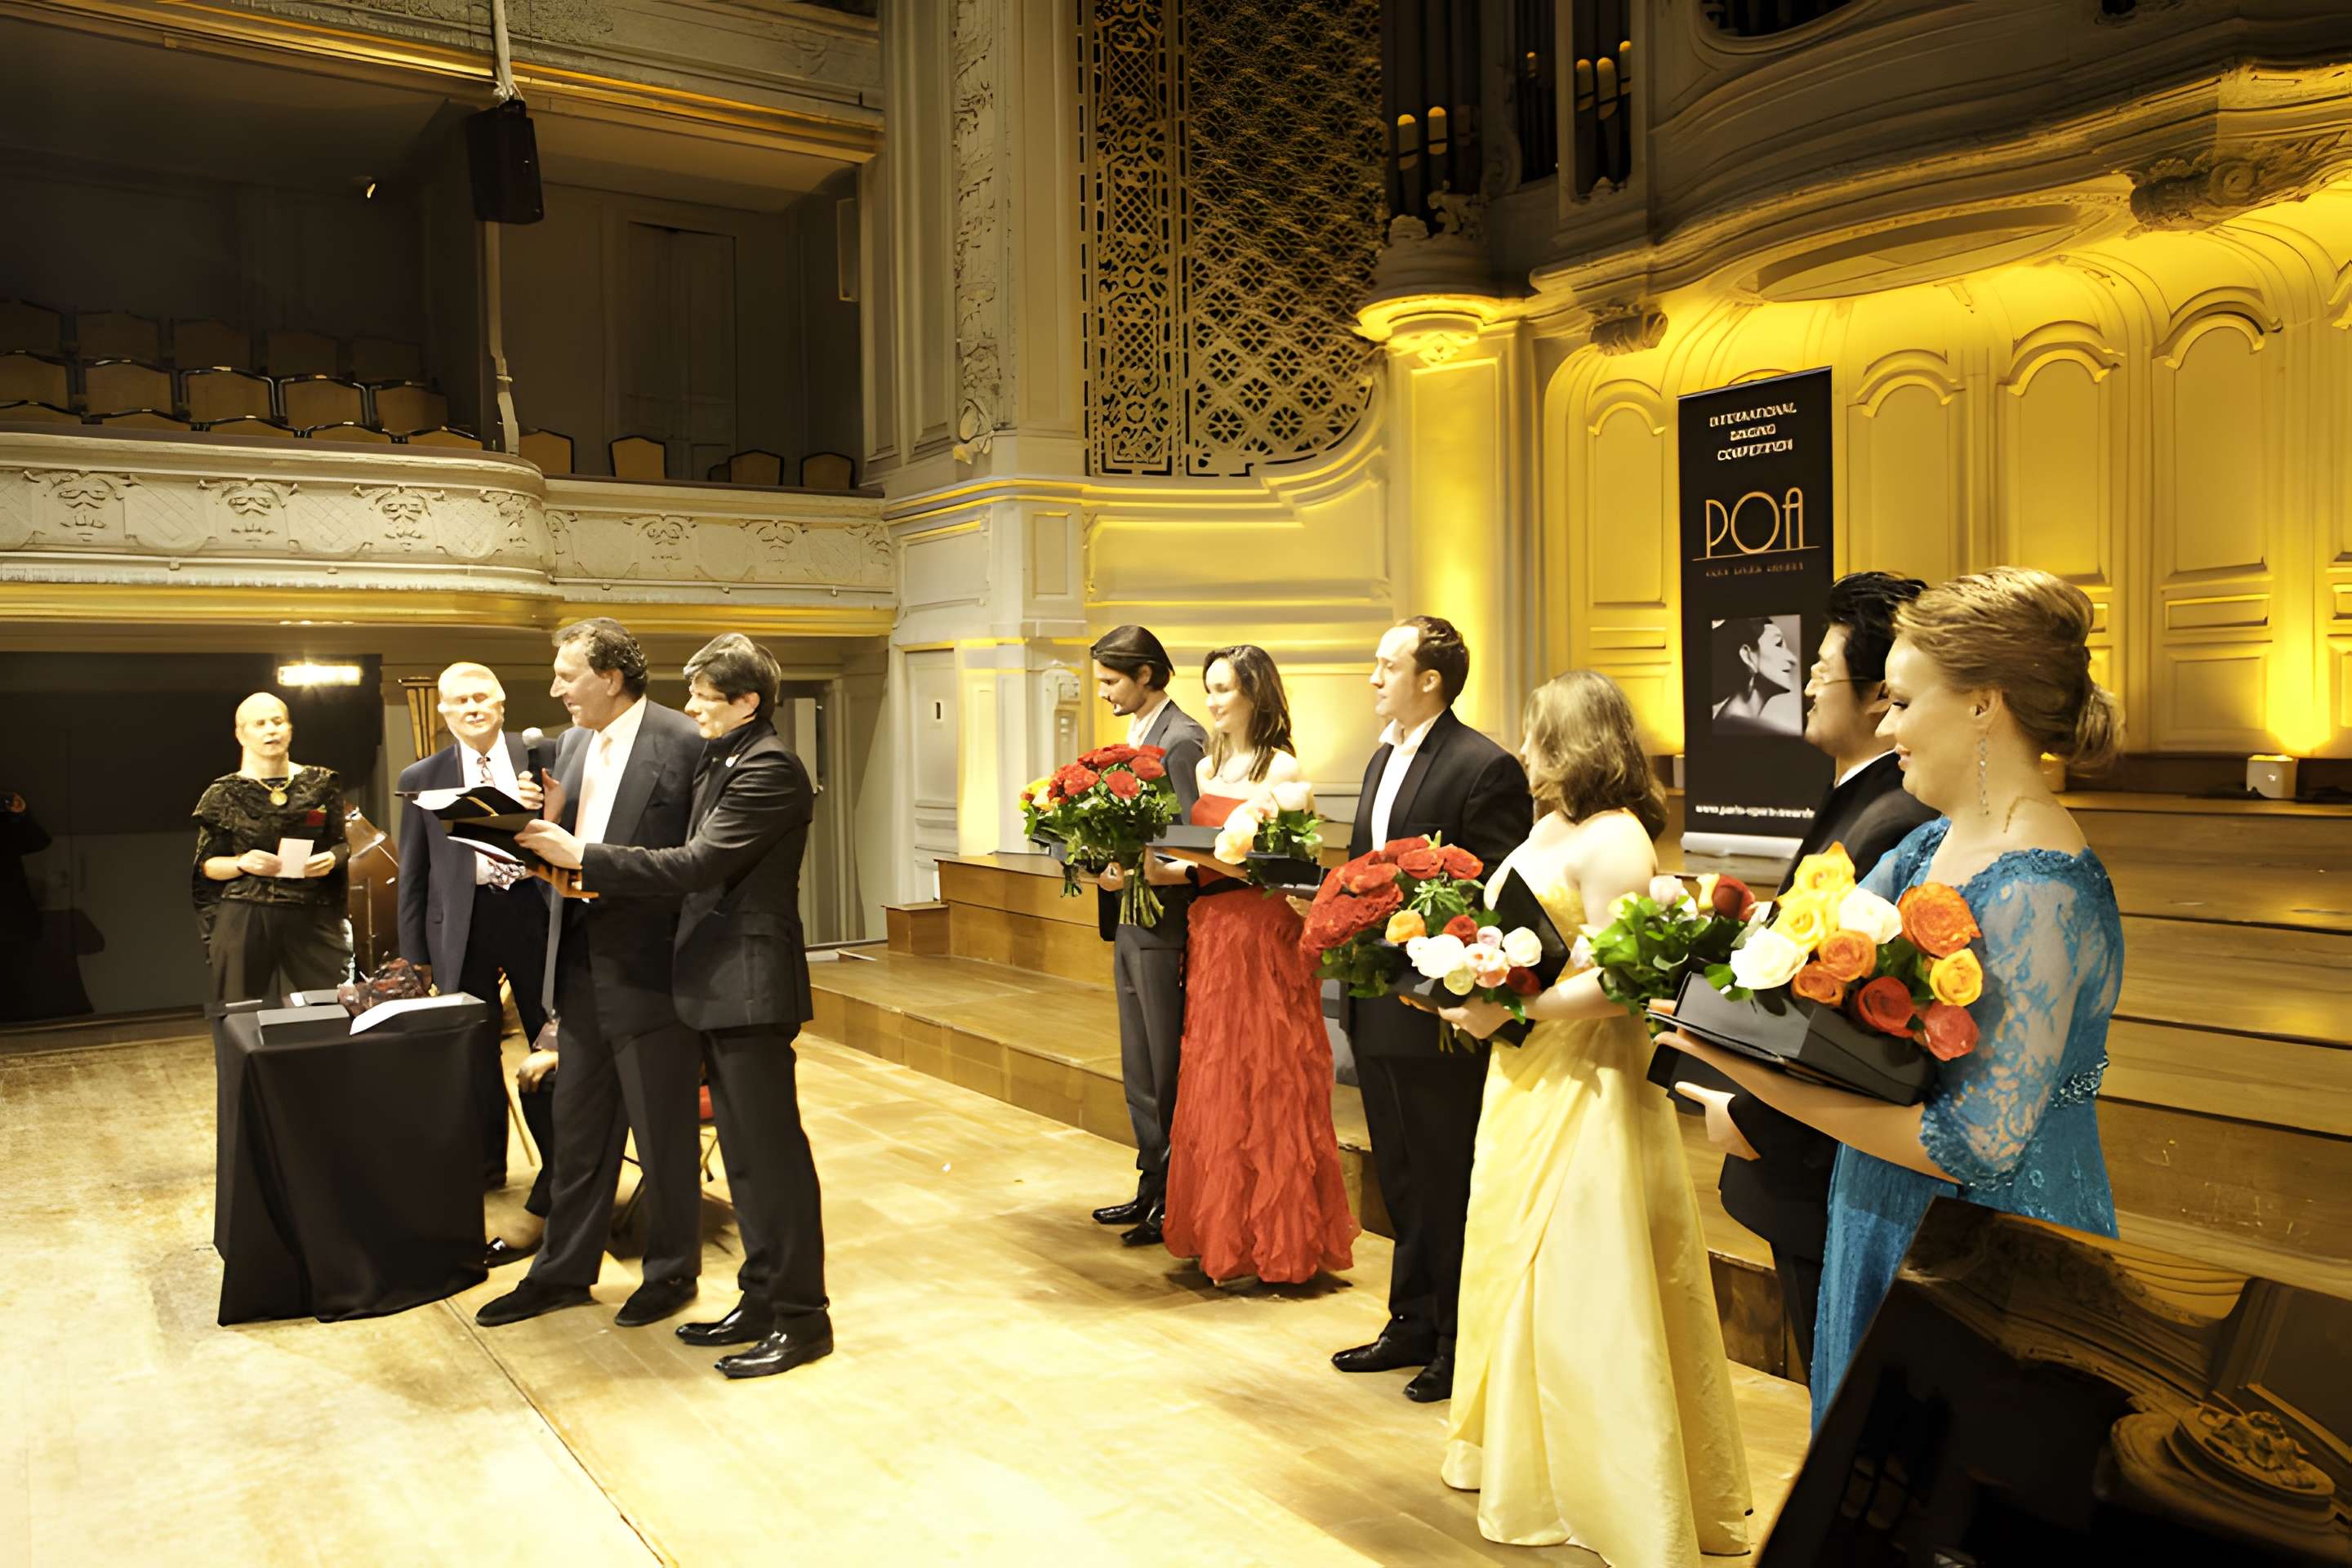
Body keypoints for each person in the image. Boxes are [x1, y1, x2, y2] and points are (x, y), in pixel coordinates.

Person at [1658, 566, 2125, 1428]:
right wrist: (1704, 968)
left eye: (1905, 702)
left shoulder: (2040, 892)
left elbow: (1974, 1145)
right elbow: (1792, 959)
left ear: (1985, 703)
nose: (1887, 722)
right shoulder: (1927, 847)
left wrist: (1761, 1079)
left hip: (1989, 1245)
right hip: (1879, 1202)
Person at [1435, 671, 1752, 1557]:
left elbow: (1627, 980)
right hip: (1525, 1075)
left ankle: (1606, 1487)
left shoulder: (1617, 839)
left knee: (1583, 1270)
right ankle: (1528, 1457)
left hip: (1590, 1079)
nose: (1524, 749)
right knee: (1513, 1257)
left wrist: (1520, 1010)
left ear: (1573, 740)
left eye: (1537, 734)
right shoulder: (1547, 825)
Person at [520, 635, 832, 1380]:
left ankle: (802, 1318)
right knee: (750, 1166)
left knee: (771, 1161)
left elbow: (696, 864)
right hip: (715, 985)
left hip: (749, 985)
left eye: (703, 697)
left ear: (748, 702)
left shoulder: (769, 768)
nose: (688, 709)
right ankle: (761, 1298)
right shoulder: (728, 757)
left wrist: (580, 855)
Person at [1686, 572, 1934, 1379]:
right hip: (1805, 1161)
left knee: (1850, 1386)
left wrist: (1755, 1120)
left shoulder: (1892, 818)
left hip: (1820, 1164)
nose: (1807, 682)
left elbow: (1844, 1015)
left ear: (1877, 695)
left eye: (1823, 667)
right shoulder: (1859, 803)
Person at [474, 618, 707, 1332]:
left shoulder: (685, 741)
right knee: (580, 1132)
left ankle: (672, 1273)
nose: (555, 688)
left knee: (663, 1133)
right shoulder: (571, 744)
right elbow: (570, 848)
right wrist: (532, 822)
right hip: (575, 957)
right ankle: (564, 1273)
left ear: (609, 676)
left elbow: (700, 864)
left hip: (653, 966)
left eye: (567, 675)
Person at [1331, 616, 1532, 1403]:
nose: (1373, 677)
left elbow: (1492, 890)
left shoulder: (1484, 765)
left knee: (1447, 1173)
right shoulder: (1384, 754)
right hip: (1376, 994)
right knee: (1403, 1172)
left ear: (1430, 681)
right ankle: (1410, 1319)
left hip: (1438, 1003)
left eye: (1388, 665)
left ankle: (1457, 1337)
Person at [1159, 644, 1357, 1288]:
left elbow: (1285, 871)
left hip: (1260, 931)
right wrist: (1168, 868)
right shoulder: (1213, 762)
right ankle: (1226, 1233)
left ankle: (1281, 1241)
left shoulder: (1283, 769)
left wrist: (1201, 865)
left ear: (1255, 695)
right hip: (1213, 929)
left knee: (1269, 1072)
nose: (1213, 700)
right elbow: (1207, 858)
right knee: (1217, 1074)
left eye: (1225, 690)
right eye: (1209, 688)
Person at [397, 662, 558, 1222]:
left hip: (535, 912)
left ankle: (560, 1163)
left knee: (551, 1037)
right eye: (459, 700)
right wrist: (415, 954)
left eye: (481, 697)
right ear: (443, 712)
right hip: (461, 926)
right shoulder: (422, 776)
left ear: (502, 702)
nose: (471, 707)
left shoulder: (547, 757)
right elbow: (413, 874)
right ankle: (488, 1163)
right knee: (474, 1051)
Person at [1085, 626, 1207, 1246]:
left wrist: (1141, 868)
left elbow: (1192, 836)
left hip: (1165, 922)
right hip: (1131, 917)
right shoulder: (1135, 735)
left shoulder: (1181, 739)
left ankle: (1173, 1197)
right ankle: (1149, 1183)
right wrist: (1099, 861)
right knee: (1137, 1063)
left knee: (1164, 1067)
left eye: (1111, 681)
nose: (1102, 693)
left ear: (1147, 676)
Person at [191, 693, 353, 1004]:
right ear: (241, 734)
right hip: (247, 912)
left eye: (277, 722)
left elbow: (341, 844)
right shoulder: (223, 793)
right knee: (243, 1014)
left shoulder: (321, 782)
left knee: (334, 1007)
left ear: (290, 728)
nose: (271, 730)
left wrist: (331, 859)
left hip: (313, 911)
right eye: (260, 723)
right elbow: (207, 866)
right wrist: (242, 863)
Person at [1710, 616, 1802, 736]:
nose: (1793, 659)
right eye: (1778, 644)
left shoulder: (1732, 726)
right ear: (1748, 656)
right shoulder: (1734, 731)